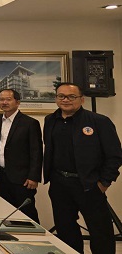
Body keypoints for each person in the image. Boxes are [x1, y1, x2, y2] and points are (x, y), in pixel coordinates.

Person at [43, 83, 122, 254]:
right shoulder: (50, 120)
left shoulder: (99, 121)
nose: (66, 100)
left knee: (100, 232)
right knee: (65, 229)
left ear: (82, 99)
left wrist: (104, 183)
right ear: (56, 98)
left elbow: (114, 155)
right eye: (61, 96)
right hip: (59, 184)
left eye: (71, 96)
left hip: (89, 185)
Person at [0, 88, 42, 222]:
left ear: (17, 102)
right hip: (0, 177)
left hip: (22, 179)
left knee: (27, 213)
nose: (4, 102)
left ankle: (34, 235)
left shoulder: (30, 123)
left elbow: (36, 151)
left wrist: (33, 177)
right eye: (1, 99)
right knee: (4, 213)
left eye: (8, 99)